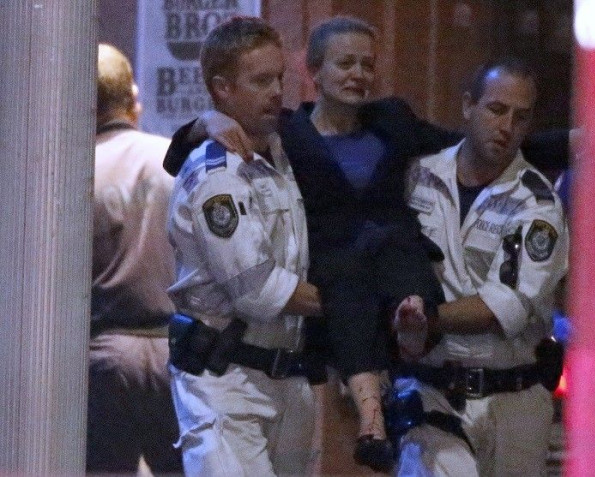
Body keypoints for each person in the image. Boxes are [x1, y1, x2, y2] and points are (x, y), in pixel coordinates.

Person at [162, 16, 571, 473]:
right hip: (257, 347)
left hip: (315, 349)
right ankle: (371, 420)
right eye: (345, 63)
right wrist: (204, 122)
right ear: (314, 72)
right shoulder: (284, 135)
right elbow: (187, 162)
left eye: (367, 64)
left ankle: (374, 414)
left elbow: (473, 140)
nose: (358, 73)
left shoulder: (388, 123)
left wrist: (581, 142)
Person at [165, 17, 326, 476]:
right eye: (261, 81)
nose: (277, 91)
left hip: (286, 378)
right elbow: (258, 291)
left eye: (280, 77)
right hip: (226, 380)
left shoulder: (282, 147)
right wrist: (351, 303)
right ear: (222, 89)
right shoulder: (218, 175)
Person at [394, 58, 569, 476]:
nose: (507, 126)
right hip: (433, 391)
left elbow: (504, 306)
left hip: (514, 401)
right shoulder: (419, 176)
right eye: (496, 109)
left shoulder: (537, 204)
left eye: (520, 117)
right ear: (468, 106)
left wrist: (428, 319)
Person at [88, 44, 182, 473]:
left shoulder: (76, 169)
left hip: (104, 353)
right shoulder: (173, 161)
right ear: (133, 97)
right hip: (176, 350)